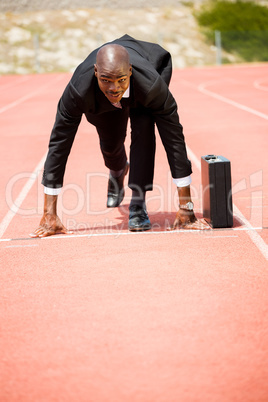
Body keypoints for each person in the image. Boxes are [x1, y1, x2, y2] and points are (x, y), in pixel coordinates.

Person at [30, 34, 208, 238]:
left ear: (130, 72)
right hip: (98, 97)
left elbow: (174, 139)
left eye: (120, 81)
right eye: (106, 80)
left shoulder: (151, 87)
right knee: (111, 141)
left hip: (146, 79)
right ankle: (118, 169)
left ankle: (138, 205)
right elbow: (59, 145)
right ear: (96, 72)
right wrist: (49, 214)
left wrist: (186, 206)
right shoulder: (78, 91)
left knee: (144, 129)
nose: (114, 88)